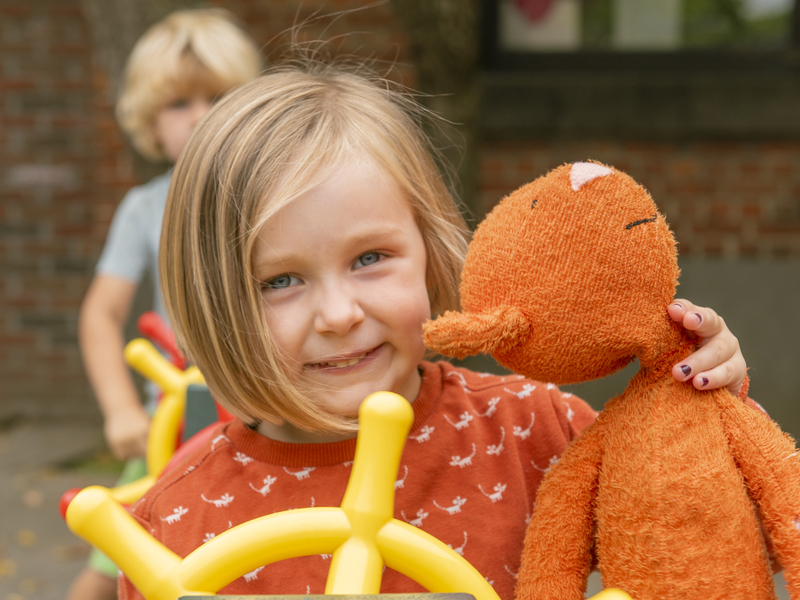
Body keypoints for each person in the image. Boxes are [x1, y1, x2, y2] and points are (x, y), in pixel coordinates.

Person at [119, 62, 750, 599]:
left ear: (432, 249)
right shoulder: (171, 520)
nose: (339, 314)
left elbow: (708, 530)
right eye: (279, 280)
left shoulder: (534, 432)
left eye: (369, 259)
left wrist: (699, 398)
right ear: (212, 303)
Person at [68, 9, 261, 600]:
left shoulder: (271, 196)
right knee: (116, 570)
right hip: (170, 428)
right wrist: (122, 411)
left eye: (218, 97)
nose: (201, 116)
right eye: (179, 104)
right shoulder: (144, 208)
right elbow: (101, 316)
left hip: (264, 416)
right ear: (149, 122)